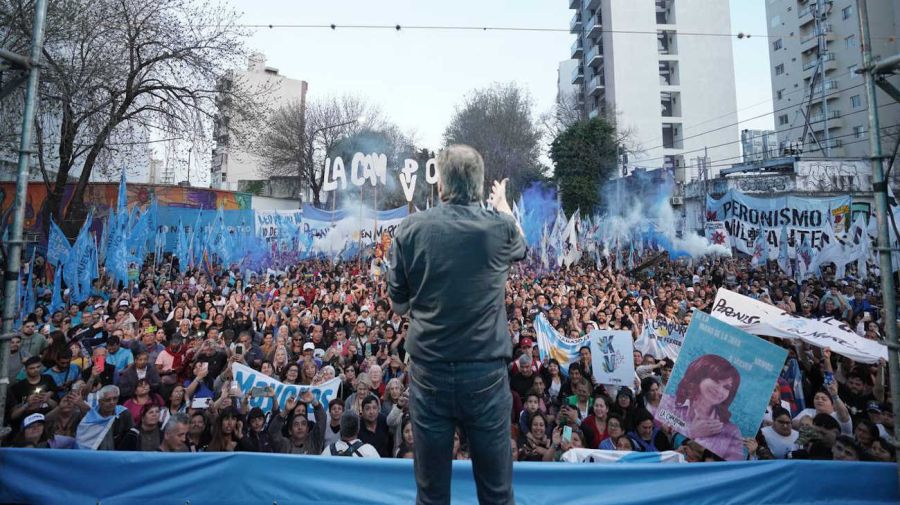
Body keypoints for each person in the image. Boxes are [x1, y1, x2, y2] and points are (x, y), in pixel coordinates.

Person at [388, 145, 525, 505]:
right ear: (478, 185)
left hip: (429, 371)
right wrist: (503, 206)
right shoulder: (499, 228)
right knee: (497, 494)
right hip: (485, 373)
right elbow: (522, 245)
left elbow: (398, 304)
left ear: (442, 185)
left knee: (431, 495)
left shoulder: (410, 229)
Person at [656, 354, 744, 460]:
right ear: (698, 376)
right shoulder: (668, 404)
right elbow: (657, 442)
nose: (719, 390)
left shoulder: (731, 431)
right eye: (715, 381)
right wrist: (691, 432)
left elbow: (734, 467)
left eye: (727, 387)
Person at [75, 385, 137, 450]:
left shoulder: (123, 413)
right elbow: (82, 442)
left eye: (115, 398)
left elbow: (131, 435)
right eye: (108, 400)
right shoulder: (90, 417)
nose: (112, 402)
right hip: (92, 455)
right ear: (100, 402)